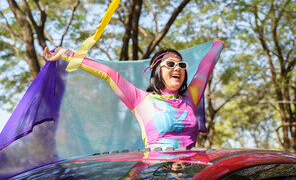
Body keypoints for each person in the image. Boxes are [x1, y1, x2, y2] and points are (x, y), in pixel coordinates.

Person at [44, 40, 224, 150]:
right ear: (157, 72)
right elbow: (108, 73)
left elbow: (205, 69)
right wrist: (67, 54)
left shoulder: (189, 99)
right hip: (158, 177)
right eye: (170, 64)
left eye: (181, 65)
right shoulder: (142, 100)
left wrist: (218, 45)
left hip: (189, 177)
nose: (177, 68)